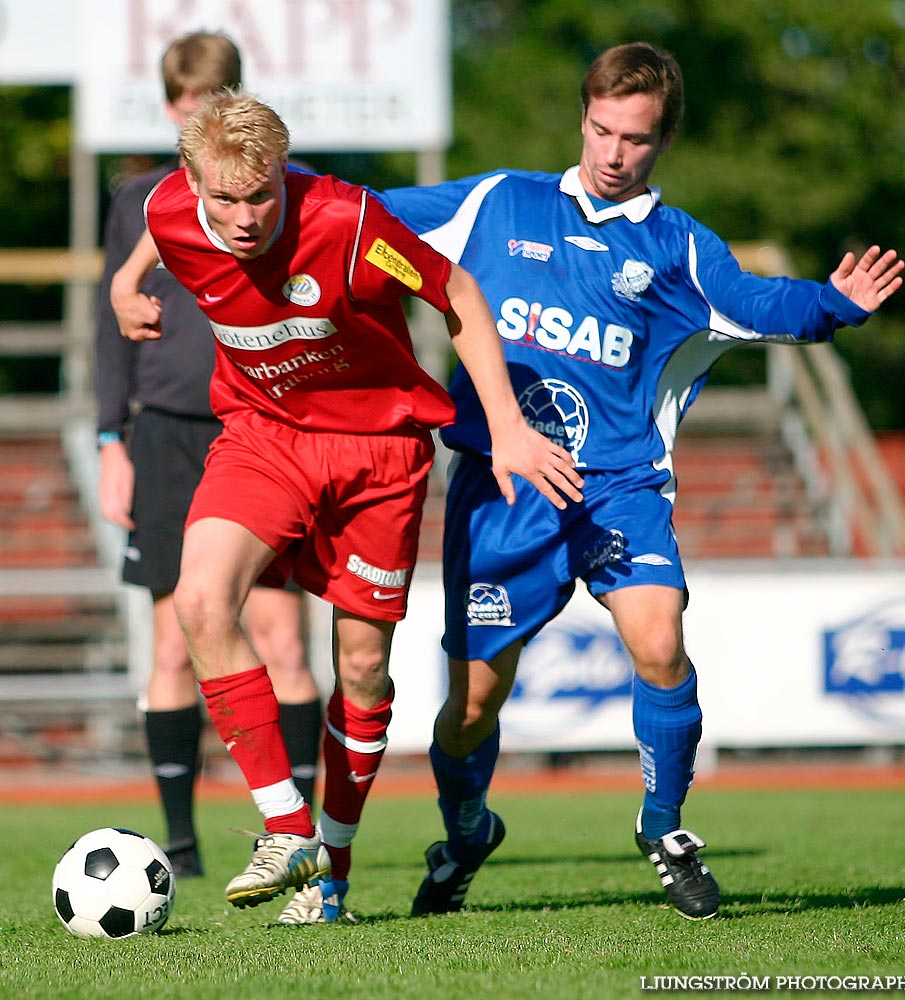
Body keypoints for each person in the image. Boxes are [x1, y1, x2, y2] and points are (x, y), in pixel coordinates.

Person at [377, 40, 905, 920]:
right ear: (582, 117)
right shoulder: (496, 202)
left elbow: (761, 303)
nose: (614, 152)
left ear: (664, 142)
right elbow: (356, 219)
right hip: (506, 489)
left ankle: (664, 827)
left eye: (636, 138)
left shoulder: (677, 248)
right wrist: (272, 179)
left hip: (620, 487)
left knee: (659, 638)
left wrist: (834, 303)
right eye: (602, 129)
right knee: (469, 706)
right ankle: (466, 832)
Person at [108, 89, 583, 923]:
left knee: (360, 668)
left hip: (377, 452)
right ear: (193, 184)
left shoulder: (348, 220)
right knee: (199, 601)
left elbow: (460, 295)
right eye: (224, 198)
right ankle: (287, 830)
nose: (246, 216)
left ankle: (331, 874)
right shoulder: (171, 203)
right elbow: (158, 222)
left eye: (262, 194)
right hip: (264, 433)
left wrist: (506, 428)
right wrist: (124, 281)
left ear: (284, 177)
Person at [95, 32, 323, 881]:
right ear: (170, 111)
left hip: (260, 430)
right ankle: (180, 848)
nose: (201, 117)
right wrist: (110, 437)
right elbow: (107, 321)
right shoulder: (140, 201)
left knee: (280, 635)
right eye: (188, 105)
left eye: (215, 100)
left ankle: (301, 836)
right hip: (163, 433)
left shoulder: (271, 197)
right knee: (169, 642)